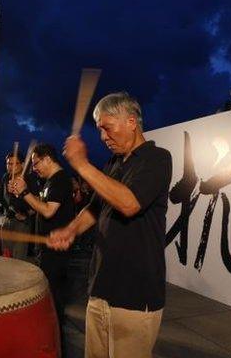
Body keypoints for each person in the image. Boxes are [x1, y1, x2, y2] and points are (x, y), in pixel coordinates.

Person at [49, 92, 172, 358]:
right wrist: (69, 230)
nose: (103, 137)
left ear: (131, 121)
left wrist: (81, 164)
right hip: (101, 287)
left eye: (107, 127)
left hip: (135, 293)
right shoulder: (113, 164)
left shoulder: (157, 158)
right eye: (99, 130)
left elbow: (129, 204)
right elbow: (94, 209)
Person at [9, 143, 75, 357]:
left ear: (48, 159)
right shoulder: (49, 182)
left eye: (36, 163)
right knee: (49, 299)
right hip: (45, 248)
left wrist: (25, 192)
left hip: (56, 249)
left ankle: (57, 348)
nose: (34, 168)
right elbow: (39, 204)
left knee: (55, 303)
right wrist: (22, 194)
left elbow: (48, 211)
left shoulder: (61, 180)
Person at [0, 151, 37, 260]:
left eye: (14, 163)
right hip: (7, 219)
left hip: (22, 223)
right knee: (6, 254)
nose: (11, 167)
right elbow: (2, 196)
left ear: (22, 164)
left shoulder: (29, 179)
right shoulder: (6, 177)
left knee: (18, 257)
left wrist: (26, 214)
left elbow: (36, 202)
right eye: (8, 164)